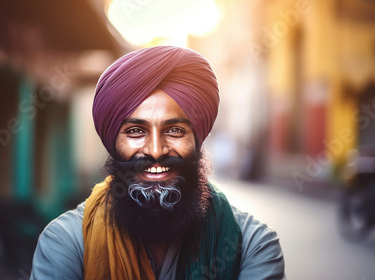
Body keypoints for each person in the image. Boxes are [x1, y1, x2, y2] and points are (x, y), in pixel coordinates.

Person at [30, 46, 285, 279]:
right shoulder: (66, 243)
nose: (155, 150)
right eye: (135, 131)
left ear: (197, 139)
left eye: (174, 130)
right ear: (112, 142)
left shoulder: (252, 245)